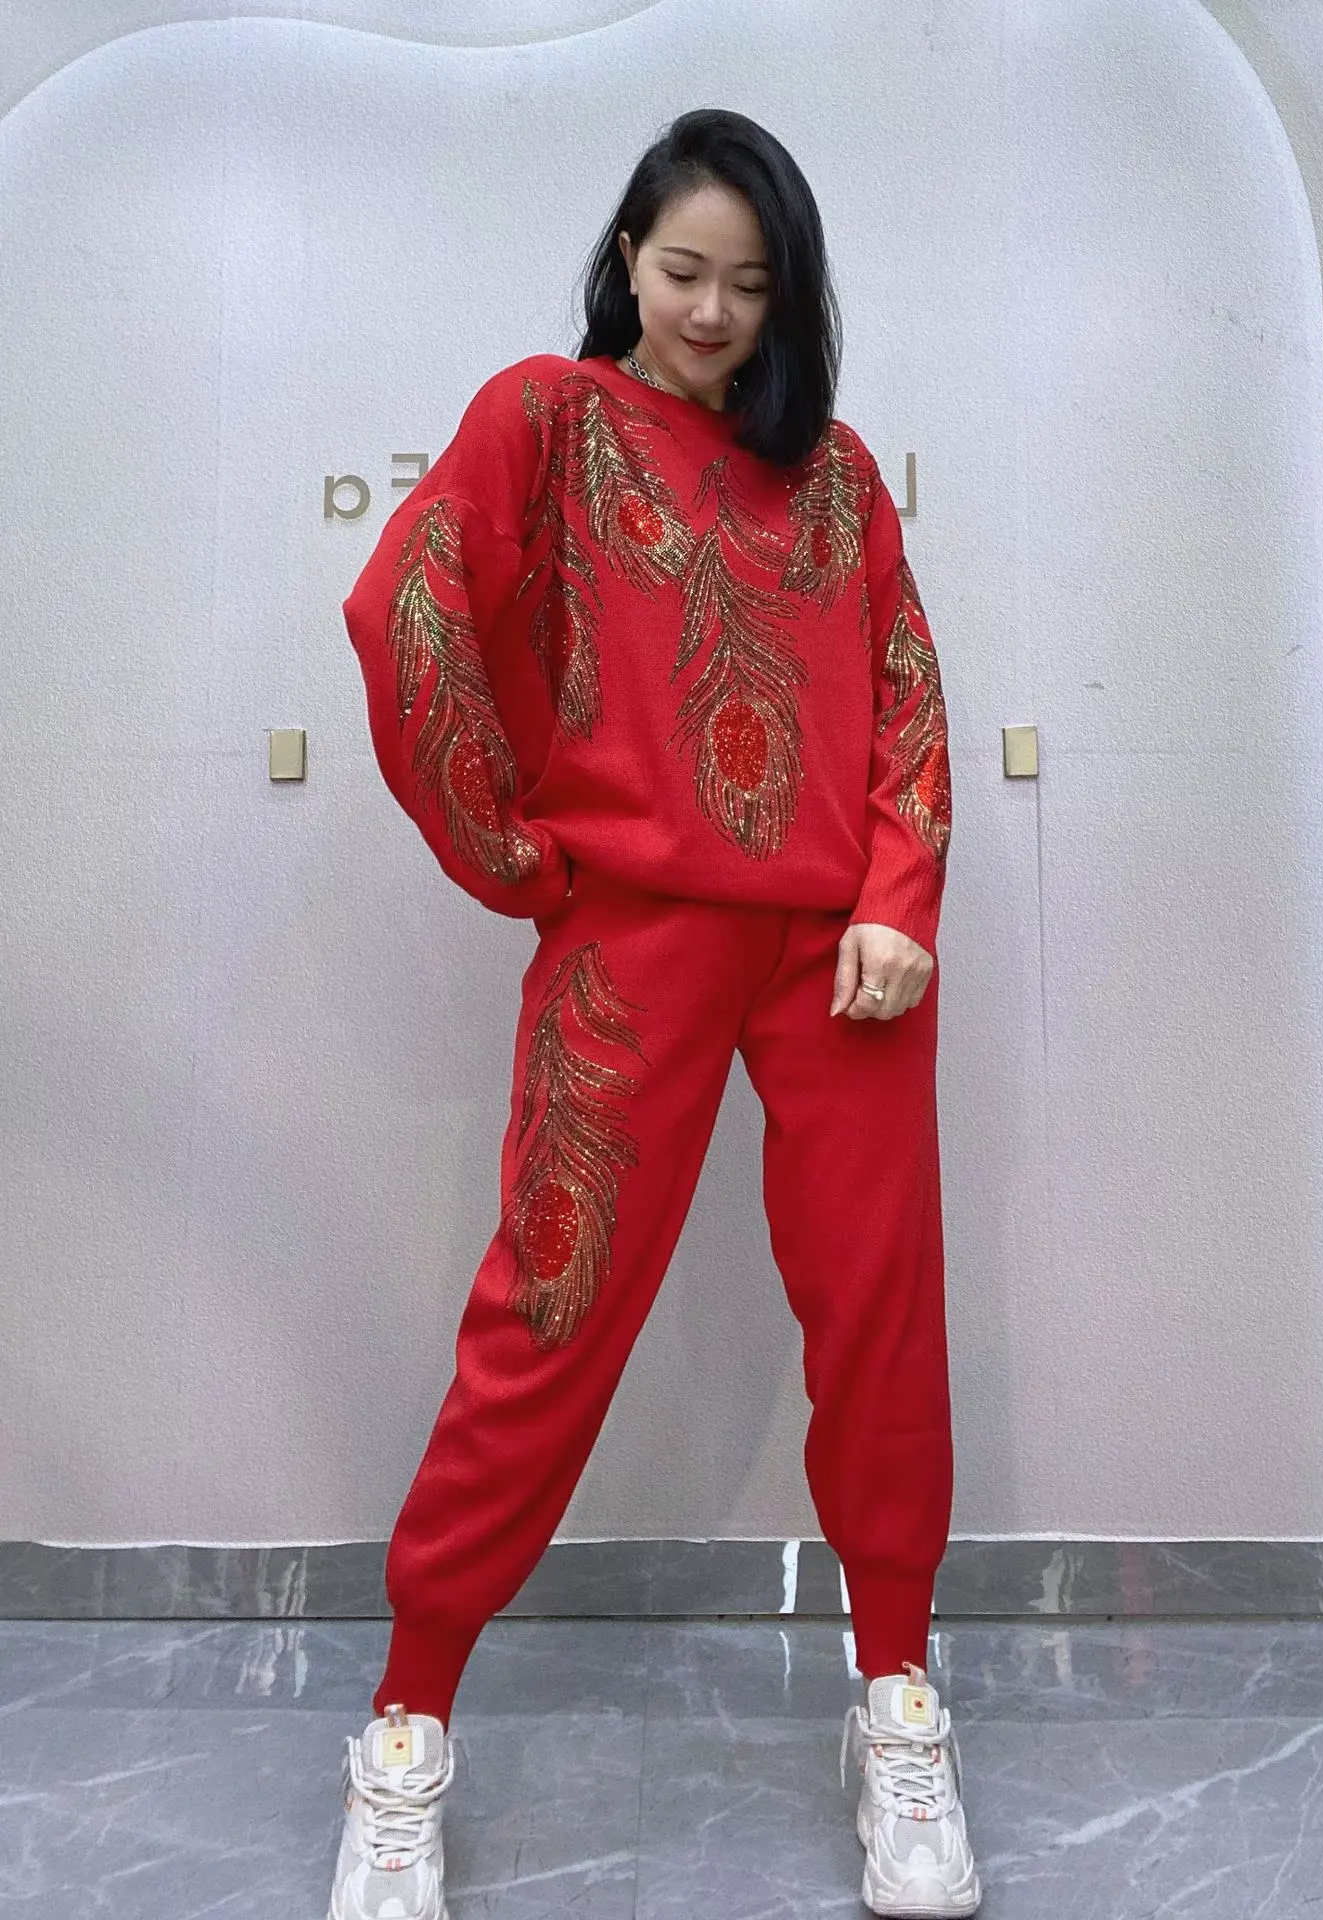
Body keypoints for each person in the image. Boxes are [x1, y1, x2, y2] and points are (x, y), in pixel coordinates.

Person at [329, 105, 980, 1920]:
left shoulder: (833, 477)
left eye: (749, 286)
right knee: (547, 1310)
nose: (709, 313)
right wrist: (509, 853)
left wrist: (897, 897)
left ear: (791, 299)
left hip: (838, 956)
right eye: (683, 270)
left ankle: (898, 1701)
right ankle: (404, 1726)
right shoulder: (543, 417)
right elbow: (404, 611)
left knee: (880, 1317)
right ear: (626, 256)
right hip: (633, 939)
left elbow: (909, 691)